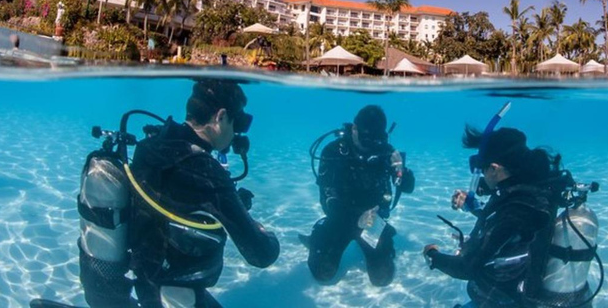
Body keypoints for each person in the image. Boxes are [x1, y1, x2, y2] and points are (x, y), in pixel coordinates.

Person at [129, 79, 280, 307]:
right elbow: (261, 255)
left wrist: (231, 201)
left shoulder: (151, 144)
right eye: (234, 123)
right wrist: (263, 232)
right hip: (178, 294)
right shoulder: (207, 172)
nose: (235, 134)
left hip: (145, 278)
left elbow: (177, 198)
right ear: (220, 117)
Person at [423, 127, 561, 308]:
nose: (481, 175)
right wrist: (470, 205)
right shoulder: (531, 192)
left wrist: (432, 255)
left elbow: (468, 268)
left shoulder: (515, 211)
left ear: (494, 169)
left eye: (482, 169)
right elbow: (504, 222)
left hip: (501, 301)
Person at [305, 105, 415, 286]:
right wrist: (356, 218)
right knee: (322, 273)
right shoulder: (334, 151)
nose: (370, 145)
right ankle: (320, 232)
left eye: (376, 139)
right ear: (354, 129)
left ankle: (374, 238)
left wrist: (402, 171)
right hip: (339, 219)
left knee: (382, 277)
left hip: (373, 221)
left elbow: (408, 187)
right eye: (366, 138)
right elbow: (326, 201)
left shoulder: (385, 151)